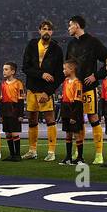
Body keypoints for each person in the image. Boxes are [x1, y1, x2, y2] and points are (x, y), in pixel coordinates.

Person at [65, 16, 107, 165]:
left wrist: (96, 76)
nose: (68, 28)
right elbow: (67, 65)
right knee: (76, 121)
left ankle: (99, 153)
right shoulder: (71, 44)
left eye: (70, 25)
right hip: (73, 88)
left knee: (93, 118)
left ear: (77, 25)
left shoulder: (93, 42)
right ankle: (78, 152)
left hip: (88, 88)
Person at [22, 20, 63, 161]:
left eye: (49, 29)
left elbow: (59, 75)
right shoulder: (32, 45)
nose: (46, 31)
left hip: (45, 90)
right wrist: (41, 74)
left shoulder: (57, 49)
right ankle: (32, 150)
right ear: (39, 31)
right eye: (44, 29)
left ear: (52, 32)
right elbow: (25, 68)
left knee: (50, 119)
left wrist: (48, 92)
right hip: (31, 89)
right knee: (32, 120)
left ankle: (51, 152)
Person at [58, 59, 86, 166]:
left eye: (65, 69)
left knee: (77, 134)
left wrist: (74, 115)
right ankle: (68, 157)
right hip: (65, 109)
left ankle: (80, 158)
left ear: (72, 69)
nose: (63, 71)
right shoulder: (65, 81)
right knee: (68, 134)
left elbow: (78, 101)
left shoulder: (77, 83)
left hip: (74, 109)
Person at [0, 63, 25, 161]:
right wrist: (1, 114)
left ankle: (17, 155)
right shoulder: (3, 84)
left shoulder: (18, 84)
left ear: (13, 71)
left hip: (14, 110)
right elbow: (1, 100)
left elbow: (21, 100)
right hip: (5, 110)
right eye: (3, 69)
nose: (4, 71)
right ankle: (11, 154)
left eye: (6, 69)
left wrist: (21, 114)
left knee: (14, 133)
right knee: (7, 133)